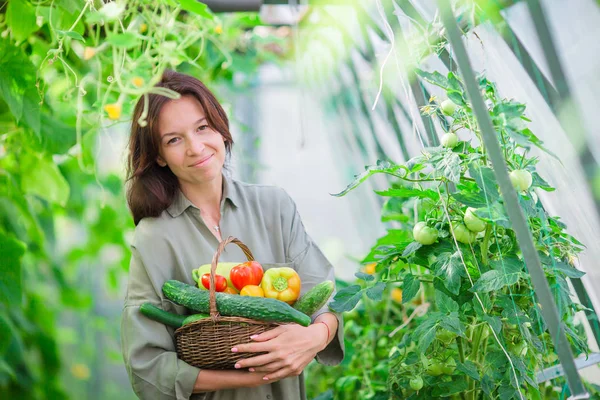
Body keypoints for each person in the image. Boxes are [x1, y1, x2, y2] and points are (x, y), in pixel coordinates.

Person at [120, 70, 344, 400]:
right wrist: (253, 376)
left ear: (220, 128)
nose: (196, 147)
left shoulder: (274, 206)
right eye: (174, 139)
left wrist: (316, 336)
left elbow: (326, 296)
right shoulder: (154, 238)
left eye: (202, 127)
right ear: (158, 156)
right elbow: (147, 365)